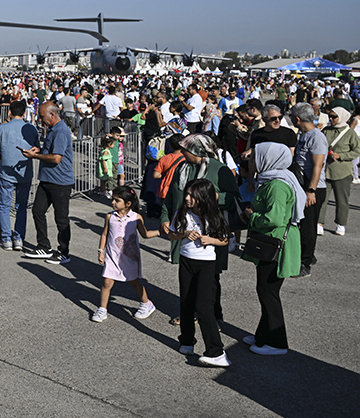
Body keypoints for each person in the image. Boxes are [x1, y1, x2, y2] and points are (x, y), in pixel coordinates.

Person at [241, 142, 304, 356]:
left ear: (268, 159)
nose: (251, 160)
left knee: (268, 291)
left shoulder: (276, 184)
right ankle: (264, 335)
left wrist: (252, 217)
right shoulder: (272, 179)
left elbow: (274, 218)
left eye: (254, 157)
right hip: (273, 242)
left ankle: (277, 343)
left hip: (276, 243)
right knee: (266, 290)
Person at [167, 179, 231, 367]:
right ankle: (187, 341)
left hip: (206, 264)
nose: (186, 198)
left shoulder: (214, 215)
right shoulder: (182, 213)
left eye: (191, 195)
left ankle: (217, 352)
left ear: (203, 197)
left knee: (203, 307)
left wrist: (210, 240)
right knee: (186, 301)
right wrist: (184, 234)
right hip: (186, 261)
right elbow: (172, 234)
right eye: (186, 194)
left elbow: (224, 240)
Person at [91, 186, 159, 323]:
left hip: (129, 257)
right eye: (113, 199)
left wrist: (160, 232)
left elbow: (145, 234)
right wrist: (101, 251)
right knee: (107, 282)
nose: (113, 203)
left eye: (117, 200)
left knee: (133, 281)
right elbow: (104, 234)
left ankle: (147, 303)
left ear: (128, 204)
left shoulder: (136, 217)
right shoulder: (110, 217)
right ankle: (102, 309)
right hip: (112, 256)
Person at [22, 102, 74, 264]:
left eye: (43, 117)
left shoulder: (60, 131)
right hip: (47, 179)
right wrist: (40, 150)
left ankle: (64, 251)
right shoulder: (52, 130)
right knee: (38, 210)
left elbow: (56, 158)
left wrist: (35, 157)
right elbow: (51, 152)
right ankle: (43, 245)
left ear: (52, 115)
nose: (41, 120)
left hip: (60, 182)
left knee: (61, 218)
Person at [0, 100, 40, 251]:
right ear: (24, 113)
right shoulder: (31, 129)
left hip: (7, 170)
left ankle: (6, 238)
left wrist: (4, 154)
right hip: (25, 171)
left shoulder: (2, 129)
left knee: (4, 205)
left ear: (9, 112)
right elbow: (37, 148)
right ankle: (18, 238)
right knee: (22, 206)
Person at [290, 103, 327, 277]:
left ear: (297, 119)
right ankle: (308, 255)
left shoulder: (316, 137)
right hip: (303, 185)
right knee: (302, 224)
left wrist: (311, 190)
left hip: (312, 187)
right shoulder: (304, 135)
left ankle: (305, 264)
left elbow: (318, 164)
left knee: (307, 227)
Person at [321, 107, 359, 235]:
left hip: (342, 172)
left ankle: (341, 224)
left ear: (342, 117)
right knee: (322, 199)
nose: (330, 119)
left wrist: (341, 155)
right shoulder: (326, 130)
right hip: (325, 170)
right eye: (330, 116)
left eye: (334, 117)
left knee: (342, 200)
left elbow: (357, 151)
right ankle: (319, 222)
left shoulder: (350, 133)